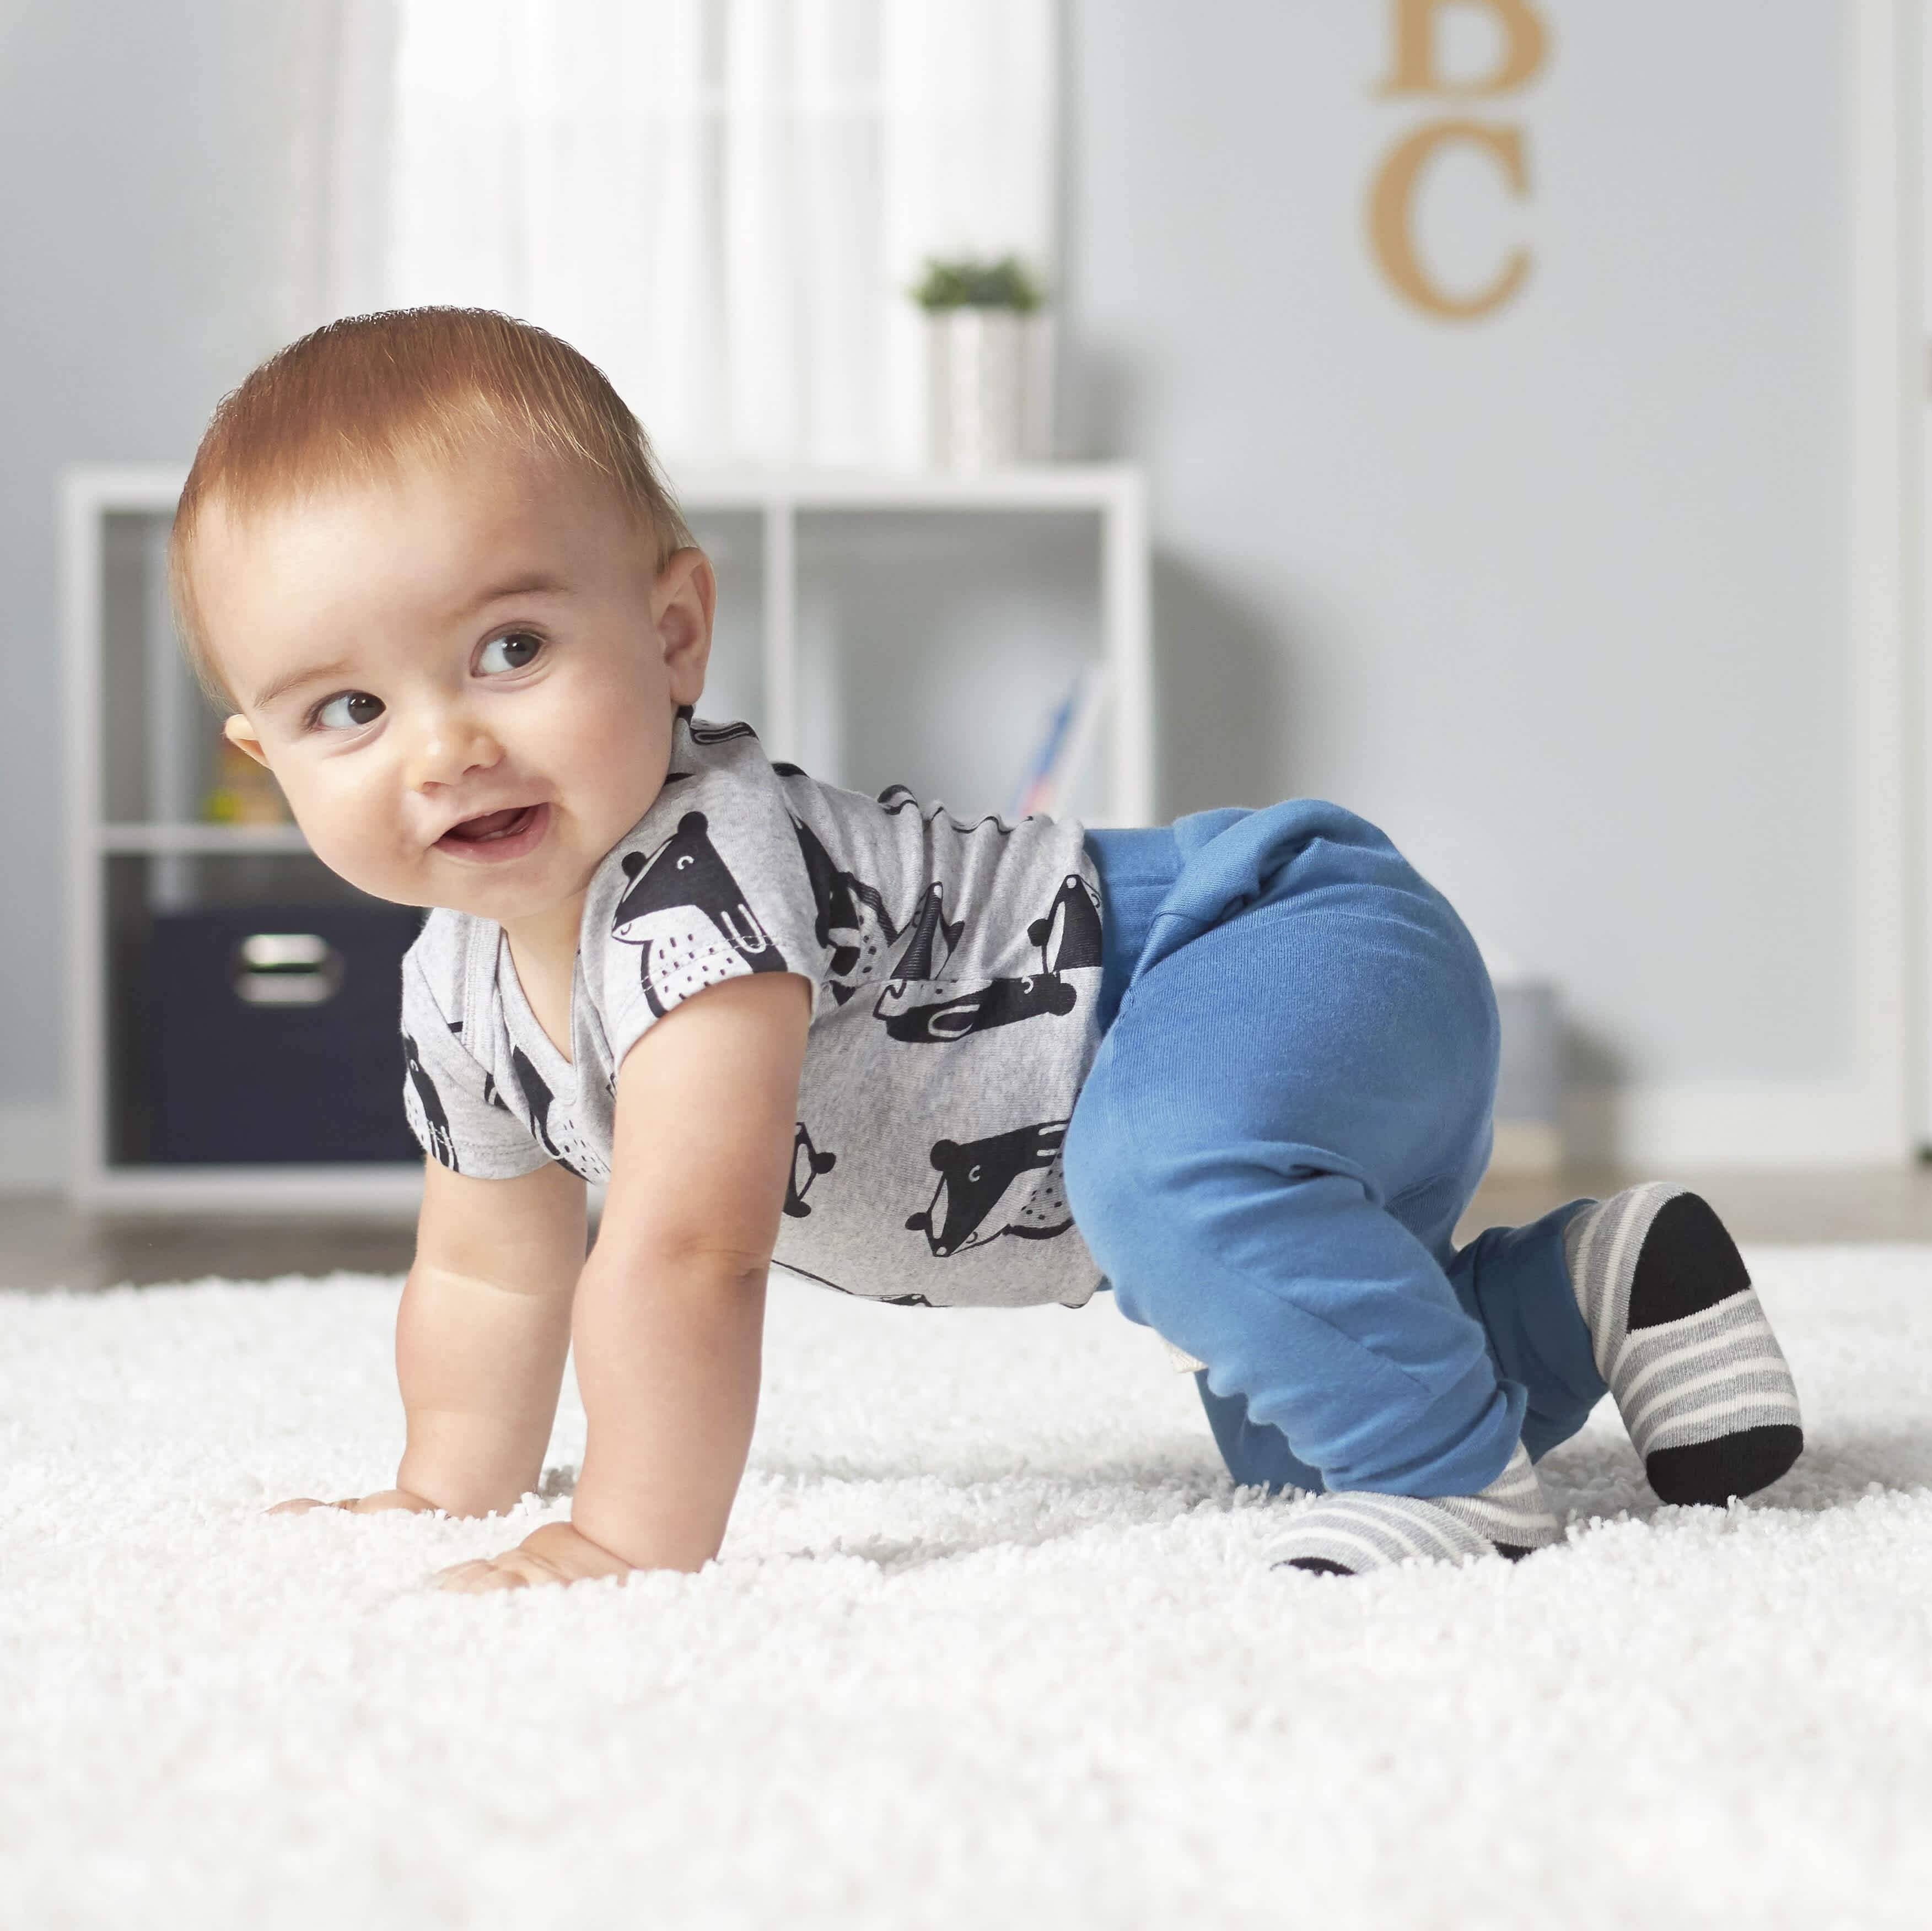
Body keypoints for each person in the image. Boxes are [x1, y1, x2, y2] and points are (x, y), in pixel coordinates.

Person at [168, 308, 1804, 1588]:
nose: (444, 748)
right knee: (1300, 1415)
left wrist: (621, 1540)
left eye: (510, 648)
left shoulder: (699, 876)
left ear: (672, 634)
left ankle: (1457, 1487)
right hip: (1228, 1035)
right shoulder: (455, 986)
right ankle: (1586, 1290)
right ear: (265, 757)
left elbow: (685, 1249)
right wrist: (443, 1492)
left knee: (1176, 1191)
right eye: (350, 709)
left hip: (1266, 936)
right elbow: (488, 1265)